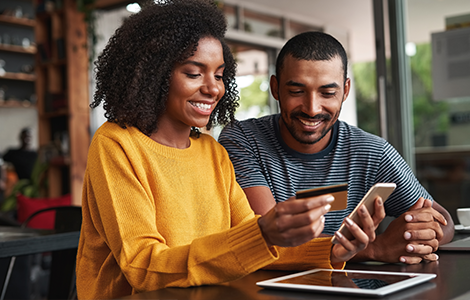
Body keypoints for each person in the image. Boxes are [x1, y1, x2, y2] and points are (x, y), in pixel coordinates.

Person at [76, 2, 385, 299]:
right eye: (194, 73)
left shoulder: (212, 151)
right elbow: (144, 268)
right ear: (154, 75)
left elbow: (250, 245)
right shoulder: (116, 145)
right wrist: (262, 234)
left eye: (220, 75)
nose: (213, 88)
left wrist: (330, 249)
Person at [218, 31, 454, 265]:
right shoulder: (243, 140)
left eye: (328, 93)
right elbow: (268, 240)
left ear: (346, 91)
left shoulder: (372, 152)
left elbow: (444, 222)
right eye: (296, 91)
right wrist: (375, 248)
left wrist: (419, 235)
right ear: (275, 88)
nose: (312, 108)